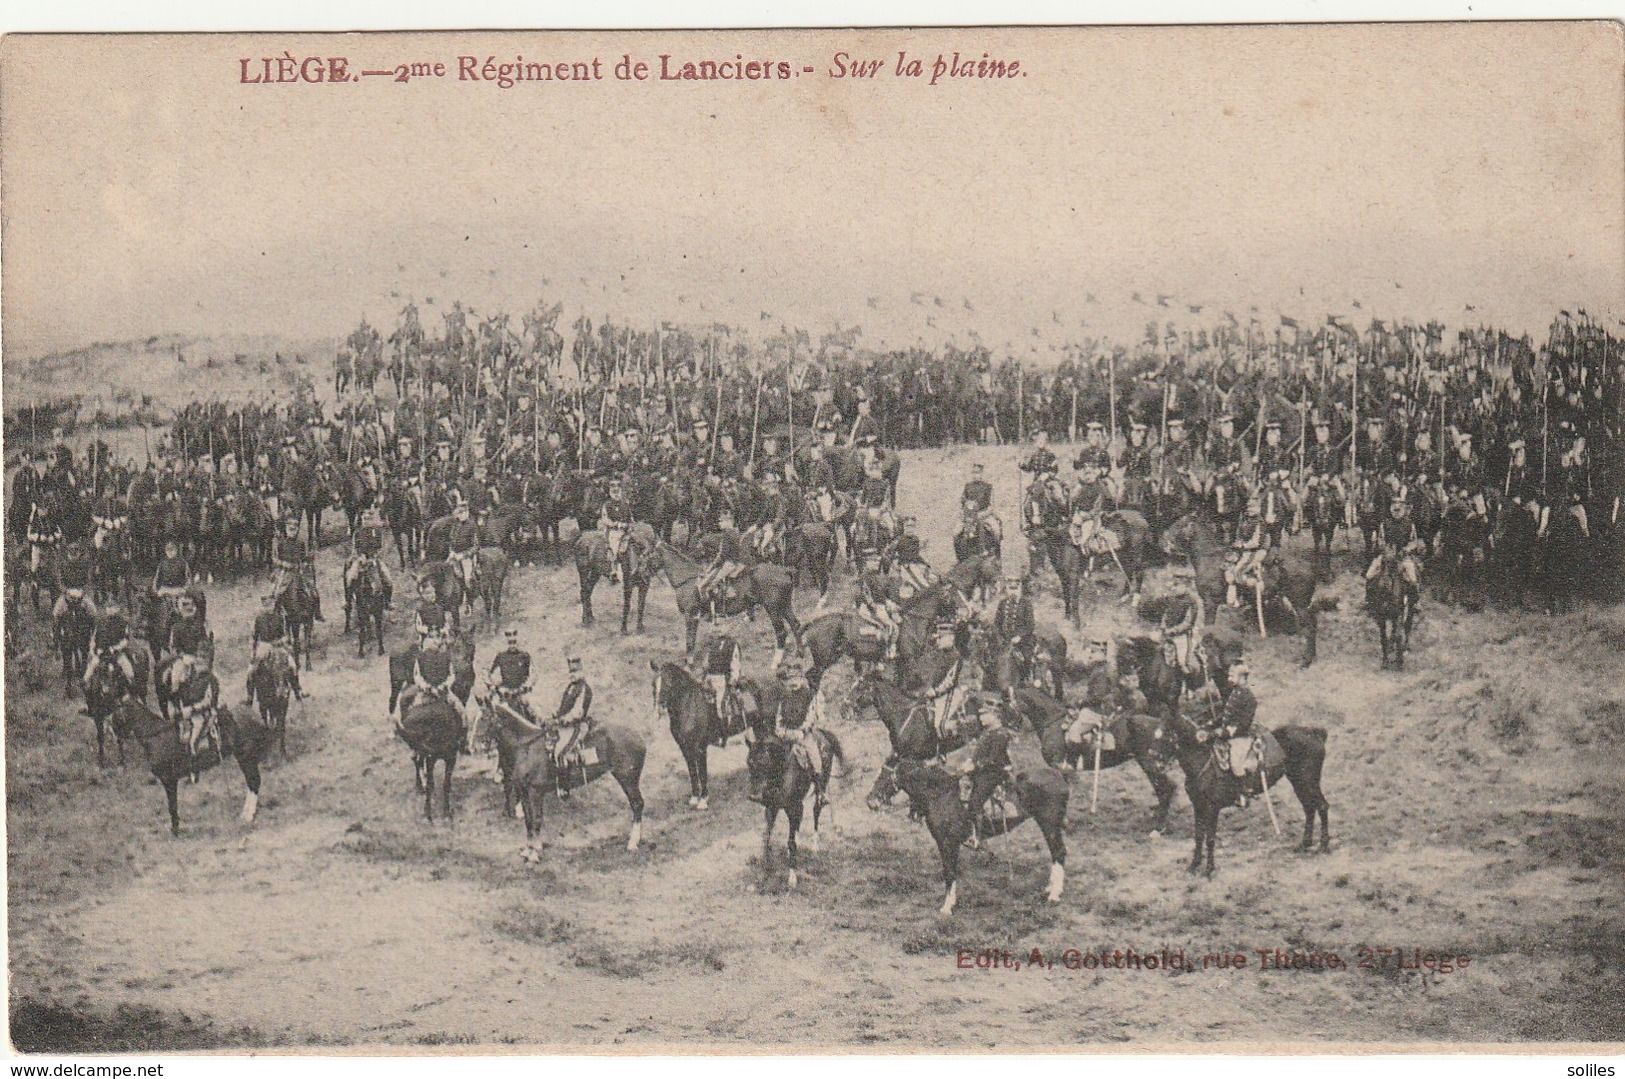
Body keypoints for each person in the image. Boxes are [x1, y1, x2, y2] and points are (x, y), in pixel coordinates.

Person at [769, 662, 827, 805]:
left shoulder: (808, 695)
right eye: (790, 679)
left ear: (802, 679)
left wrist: (802, 730)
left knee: (815, 757)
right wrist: (780, 730)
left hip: (802, 734)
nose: (793, 682)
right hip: (786, 733)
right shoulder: (785, 696)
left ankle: (820, 792)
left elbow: (811, 715)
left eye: (796, 678)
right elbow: (779, 715)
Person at [1215, 660, 1262, 803]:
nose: (1229, 678)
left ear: (1242, 678)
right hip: (1229, 731)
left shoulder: (1249, 697)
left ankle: (1245, 793)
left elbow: (1244, 724)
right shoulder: (1235, 691)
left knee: (1236, 763)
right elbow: (1227, 714)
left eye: (1232, 675)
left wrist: (1227, 732)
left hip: (1241, 736)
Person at [548, 655, 593, 797]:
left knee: (560, 753)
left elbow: (578, 712)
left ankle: (564, 788)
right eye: (570, 671)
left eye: (575, 671)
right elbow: (564, 707)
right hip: (566, 725)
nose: (572, 674)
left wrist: (562, 720)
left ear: (581, 671)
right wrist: (554, 715)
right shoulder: (570, 687)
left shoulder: (584, 689)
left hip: (577, 726)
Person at [921, 615, 968, 738]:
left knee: (939, 725)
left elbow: (950, 681)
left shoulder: (955, 656)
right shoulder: (941, 655)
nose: (937, 641)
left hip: (950, 693)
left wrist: (935, 692)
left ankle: (943, 753)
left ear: (950, 638)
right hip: (935, 692)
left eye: (940, 638)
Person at [272, 516, 323, 621]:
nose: (292, 532)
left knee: (312, 590)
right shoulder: (280, 543)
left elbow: (304, 557)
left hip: (298, 570)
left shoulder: (300, 543)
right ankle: (276, 613)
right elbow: (274, 558)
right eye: (290, 529)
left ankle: (317, 612)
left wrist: (309, 558)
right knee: (278, 591)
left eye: (294, 529)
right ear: (286, 529)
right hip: (285, 570)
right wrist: (284, 564)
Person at [1367, 495, 1422, 590]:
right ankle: (1369, 599)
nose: (1397, 511)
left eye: (1399, 508)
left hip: (1403, 556)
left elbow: (1414, 541)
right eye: (1394, 508)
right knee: (1369, 575)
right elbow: (1380, 539)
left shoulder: (1409, 524)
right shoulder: (1384, 524)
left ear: (1403, 509)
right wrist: (1385, 548)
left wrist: (1406, 549)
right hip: (1387, 554)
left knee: (1412, 579)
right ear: (1391, 509)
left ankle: (1413, 602)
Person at [345, 503, 394, 610]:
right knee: (350, 577)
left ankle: (388, 601)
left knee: (387, 578)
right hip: (360, 559)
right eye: (364, 519)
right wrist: (360, 556)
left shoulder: (377, 532)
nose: (366, 521)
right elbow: (355, 547)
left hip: (375, 559)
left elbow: (382, 547)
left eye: (368, 519)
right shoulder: (357, 533)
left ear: (372, 520)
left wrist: (375, 557)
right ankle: (348, 601)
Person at [1160, 564, 1205, 677]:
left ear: (1186, 586)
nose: (1174, 588)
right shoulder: (1171, 598)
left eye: (1177, 585)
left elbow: (1187, 622)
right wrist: (1163, 625)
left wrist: (1173, 630)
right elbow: (1166, 614)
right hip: (1167, 632)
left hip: (1183, 635)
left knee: (1183, 661)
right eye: (1173, 585)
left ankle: (1189, 685)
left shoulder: (1191, 602)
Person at [485, 628, 537, 725]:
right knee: (490, 709)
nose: (512, 645)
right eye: (510, 642)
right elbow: (486, 671)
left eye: (514, 642)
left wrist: (526, 686)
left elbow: (533, 674)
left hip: (521, 691)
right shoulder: (500, 656)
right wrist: (491, 685)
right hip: (505, 691)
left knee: (534, 709)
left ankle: (539, 732)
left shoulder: (524, 656)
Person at [85, 599, 136, 694]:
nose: (110, 610)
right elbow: (94, 638)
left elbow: (125, 640)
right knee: (90, 668)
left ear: (117, 609)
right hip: (101, 653)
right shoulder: (100, 623)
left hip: (117, 653)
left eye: (112, 608)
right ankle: (87, 689)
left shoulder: (123, 622)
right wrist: (93, 650)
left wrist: (116, 648)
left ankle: (132, 692)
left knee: (129, 671)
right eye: (108, 608)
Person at [1225, 496, 1267, 607]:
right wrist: (1237, 543)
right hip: (1244, 550)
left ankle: (1245, 597)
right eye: (1248, 507)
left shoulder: (1259, 521)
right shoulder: (1244, 519)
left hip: (1256, 551)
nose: (1250, 509)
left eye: (1253, 507)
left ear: (1258, 508)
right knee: (1228, 568)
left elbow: (1257, 542)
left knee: (1238, 571)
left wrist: (1243, 545)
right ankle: (1233, 599)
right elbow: (1239, 535)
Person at [704, 632, 742, 739]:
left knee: (720, 705)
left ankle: (723, 735)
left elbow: (735, 662)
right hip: (711, 677)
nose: (719, 628)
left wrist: (734, 678)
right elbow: (707, 662)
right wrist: (705, 676)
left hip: (722, 678)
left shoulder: (732, 643)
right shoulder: (713, 643)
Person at [600, 477, 633, 583]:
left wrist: (630, 525)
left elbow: (631, 517)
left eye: (618, 489)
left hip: (626, 530)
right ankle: (614, 572)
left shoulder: (625, 504)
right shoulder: (607, 505)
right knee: (614, 547)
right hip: (614, 531)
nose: (616, 491)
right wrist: (615, 524)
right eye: (613, 489)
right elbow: (605, 519)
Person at [446, 499, 480, 594]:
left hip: (466, 557)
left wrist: (463, 555)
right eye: (459, 513)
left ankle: (468, 601)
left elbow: (476, 546)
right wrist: (451, 552)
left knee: (467, 580)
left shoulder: (472, 526)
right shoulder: (456, 525)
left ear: (467, 513)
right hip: (454, 555)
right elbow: (451, 540)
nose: (460, 515)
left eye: (463, 512)